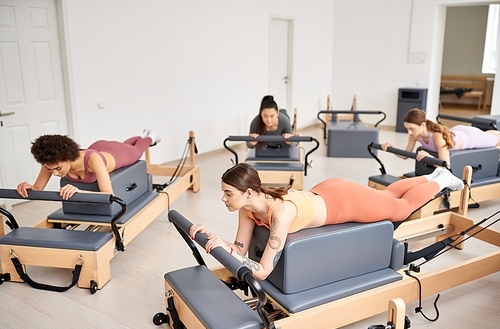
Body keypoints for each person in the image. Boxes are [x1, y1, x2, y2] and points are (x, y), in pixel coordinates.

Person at [189, 163, 464, 280]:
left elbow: (262, 271)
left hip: (343, 201)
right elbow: (238, 249)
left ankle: (441, 179)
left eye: (228, 193)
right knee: (389, 195)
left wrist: (223, 249)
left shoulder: (281, 213)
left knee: (400, 208)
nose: (223, 199)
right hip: (323, 190)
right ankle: (435, 175)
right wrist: (215, 239)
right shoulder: (247, 209)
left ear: (248, 192)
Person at [16, 129, 161, 200]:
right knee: (125, 145)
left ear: (68, 157)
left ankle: (149, 137)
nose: (54, 173)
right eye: (50, 169)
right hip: (98, 146)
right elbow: (37, 189)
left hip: (114, 155)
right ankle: (140, 136)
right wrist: (27, 187)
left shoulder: (93, 160)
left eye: (58, 169)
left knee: (135, 151)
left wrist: (79, 192)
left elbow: (108, 195)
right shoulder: (51, 162)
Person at [382, 108, 500, 166]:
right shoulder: (415, 135)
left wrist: (427, 157)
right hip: (457, 131)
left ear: (423, 125)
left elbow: (445, 165)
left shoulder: (437, 137)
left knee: (495, 140)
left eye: (411, 128)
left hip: (470, 138)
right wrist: (391, 148)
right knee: (490, 134)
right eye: (407, 128)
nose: (409, 132)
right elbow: (404, 156)